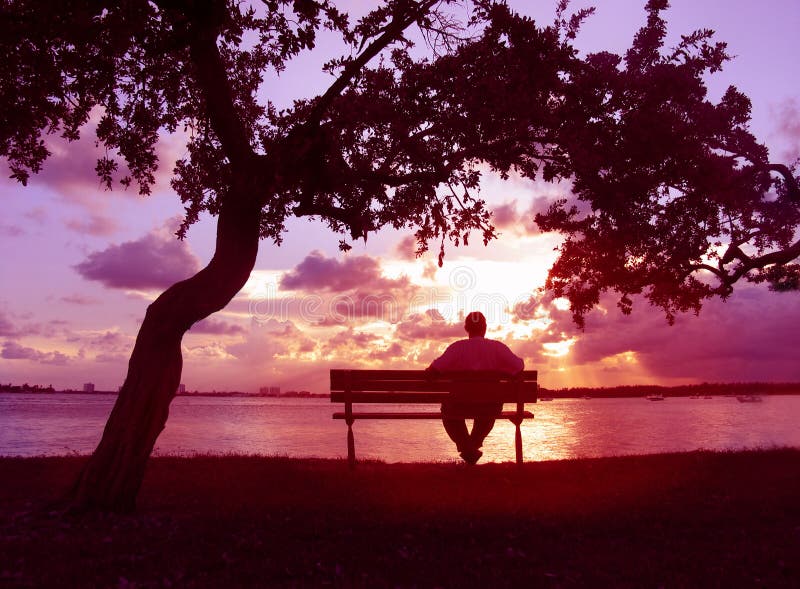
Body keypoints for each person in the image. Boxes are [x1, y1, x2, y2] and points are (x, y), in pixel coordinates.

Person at [427, 311, 524, 464]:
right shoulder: (497, 347)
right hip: (489, 407)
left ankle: (467, 449)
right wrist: (504, 371)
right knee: (491, 405)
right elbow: (519, 367)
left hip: (459, 406)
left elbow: (433, 371)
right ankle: (472, 447)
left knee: (447, 410)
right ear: (485, 328)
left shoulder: (457, 348)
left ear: (467, 328)